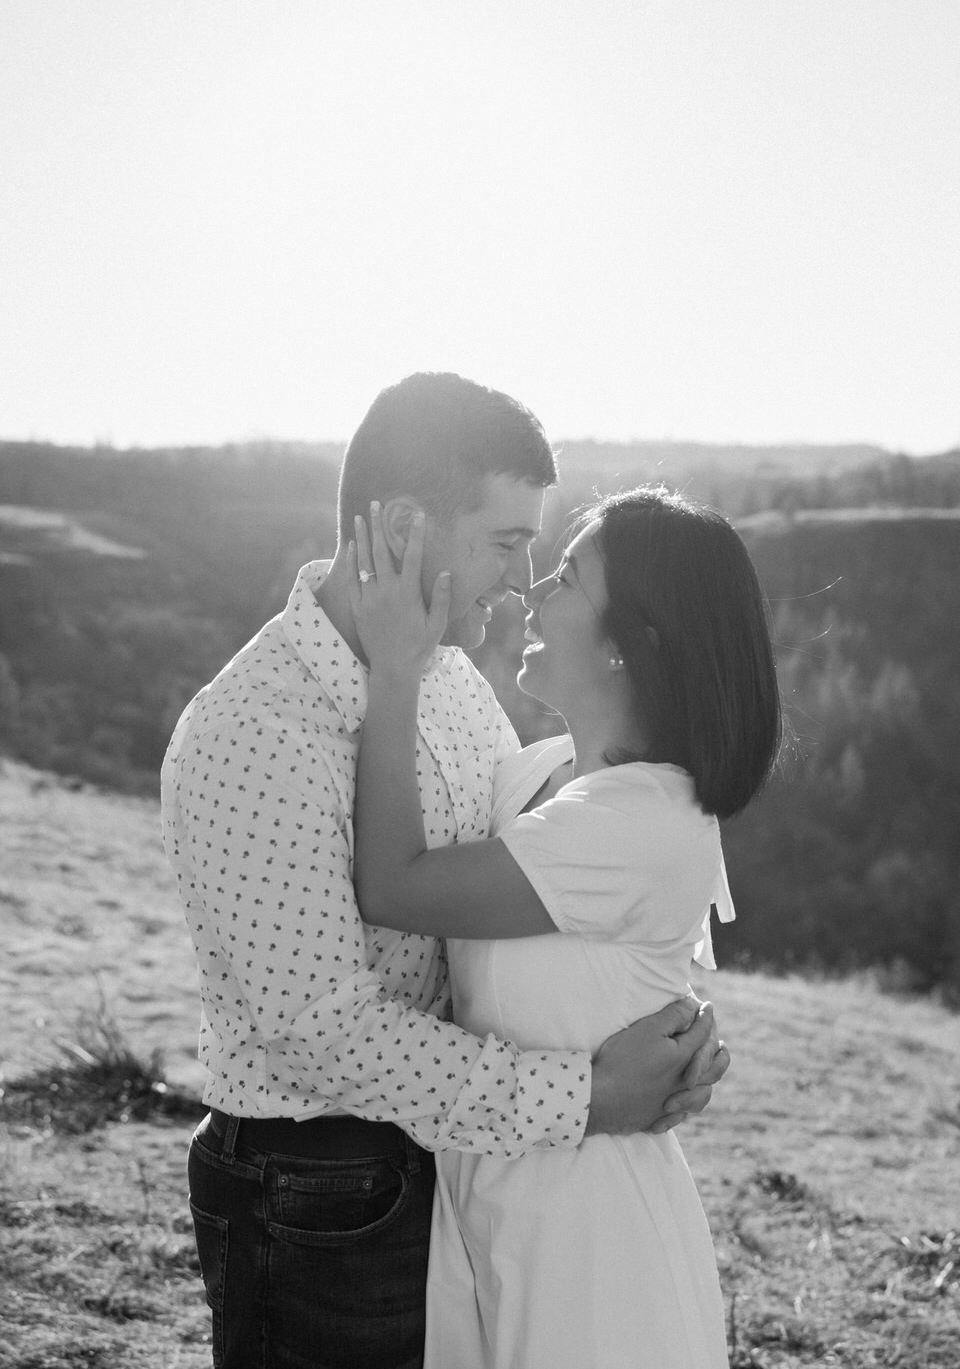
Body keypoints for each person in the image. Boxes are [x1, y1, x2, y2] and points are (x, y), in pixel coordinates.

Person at [161, 372, 730, 1369]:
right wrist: (583, 1095)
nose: (520, 582)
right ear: (401, 530)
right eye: (507, 544)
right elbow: (324, 1032)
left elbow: (550, 876)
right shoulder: (249, 733)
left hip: (463, 1166)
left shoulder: (456, 686)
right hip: (320, 1193)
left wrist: (665, 1026)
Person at [349, 483, 782, 1368]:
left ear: (633, 643)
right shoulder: (540, 775)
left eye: (571, 581)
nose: (536, 591)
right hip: (493, 1210)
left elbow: (393, 885)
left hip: (594, 1247)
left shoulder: (644, 818)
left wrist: (396, 669)